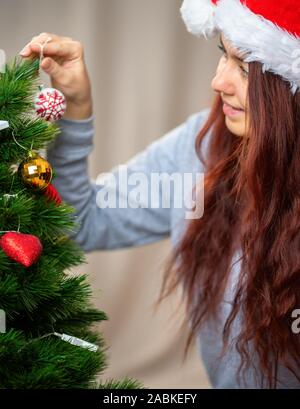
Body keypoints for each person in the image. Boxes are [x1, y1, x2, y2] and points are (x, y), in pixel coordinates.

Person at [19, 0, 300, 389]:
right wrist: (76, 108)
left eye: (246, 67)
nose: (219, 83)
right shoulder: (199, 150)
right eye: (223, 54)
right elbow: (79, 221)